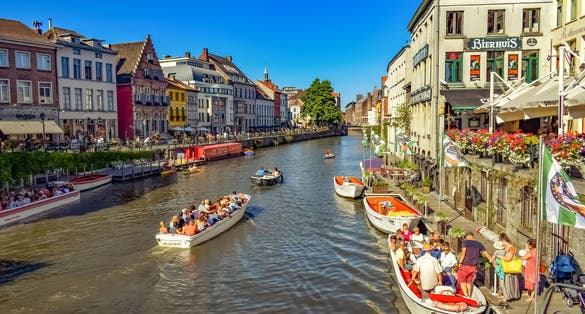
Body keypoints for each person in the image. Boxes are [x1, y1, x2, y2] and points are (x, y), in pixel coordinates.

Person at [457, 231, 492, 297]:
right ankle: (469, 296)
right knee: (469, 282)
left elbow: (463, 254)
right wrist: (493, 261)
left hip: (465, 265)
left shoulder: (465, 242)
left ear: (466, 237)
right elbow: (487, 254)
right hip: (473, 267)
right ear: (472, 236)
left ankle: (466, 296)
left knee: (462, 281)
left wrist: (460, 263)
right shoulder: (479, 244)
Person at [493, 233, 520, 302]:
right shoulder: (506, 247)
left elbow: (508, 259)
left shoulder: (511, 248)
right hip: (505, 267)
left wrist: (498, 256)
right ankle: (505, 295)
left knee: (508, 283)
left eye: (501, 241)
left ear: (504, 240)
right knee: (505, 283)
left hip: (509, 268)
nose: (500, 243)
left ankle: (507, 297)